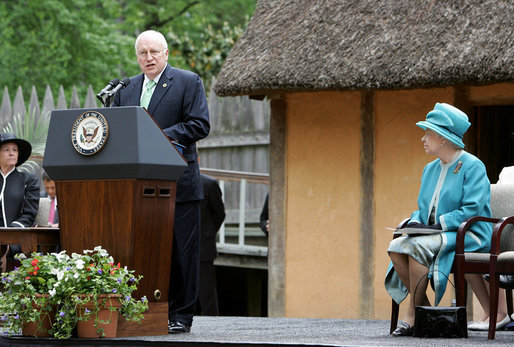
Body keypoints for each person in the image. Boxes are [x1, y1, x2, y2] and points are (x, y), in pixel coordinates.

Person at [112, 30, 210, 334]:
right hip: (138, 188)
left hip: (178, 183)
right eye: (142, 53)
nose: (148, 58)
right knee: (145, 251)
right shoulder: (126, 88)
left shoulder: (187, 81)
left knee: (182, 253)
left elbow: (199, 124)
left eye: (154, 52)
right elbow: (116, 126)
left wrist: (159, 136)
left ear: (166, 54)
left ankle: (182, 314)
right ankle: (148, 311)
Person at [384, 103, 493, 336]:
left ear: (443, 138)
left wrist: (435, 226)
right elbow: (423, 209)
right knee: (396, 247)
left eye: (428, 133)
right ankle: (428, 313)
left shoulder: (473, 166)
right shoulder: (429, 169)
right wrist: (415, 222)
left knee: (417, 248)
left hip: (469, 233)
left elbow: (472, 210)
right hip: (436, 233)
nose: (423, 138)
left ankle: (412, 315)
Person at [469, 165, 514, 331]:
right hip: (501, 229)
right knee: (470, 250)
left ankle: (501, 313)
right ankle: (490, 311)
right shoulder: (507, 171)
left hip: (507, 230)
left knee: (493, 250)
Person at [0, 133, 39, 259]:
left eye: (15, 150)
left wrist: (8, 235)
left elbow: (29, 215)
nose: (12, 153)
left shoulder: (28, 180)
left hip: (17, 239)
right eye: (7, 150)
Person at [198, 173, 225, 315]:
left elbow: (219, 214)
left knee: (207, 292)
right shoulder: (175, 181)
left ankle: (212, 324)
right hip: (181, 246)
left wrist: (208, 232)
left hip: (204, 245)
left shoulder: (209, 184)